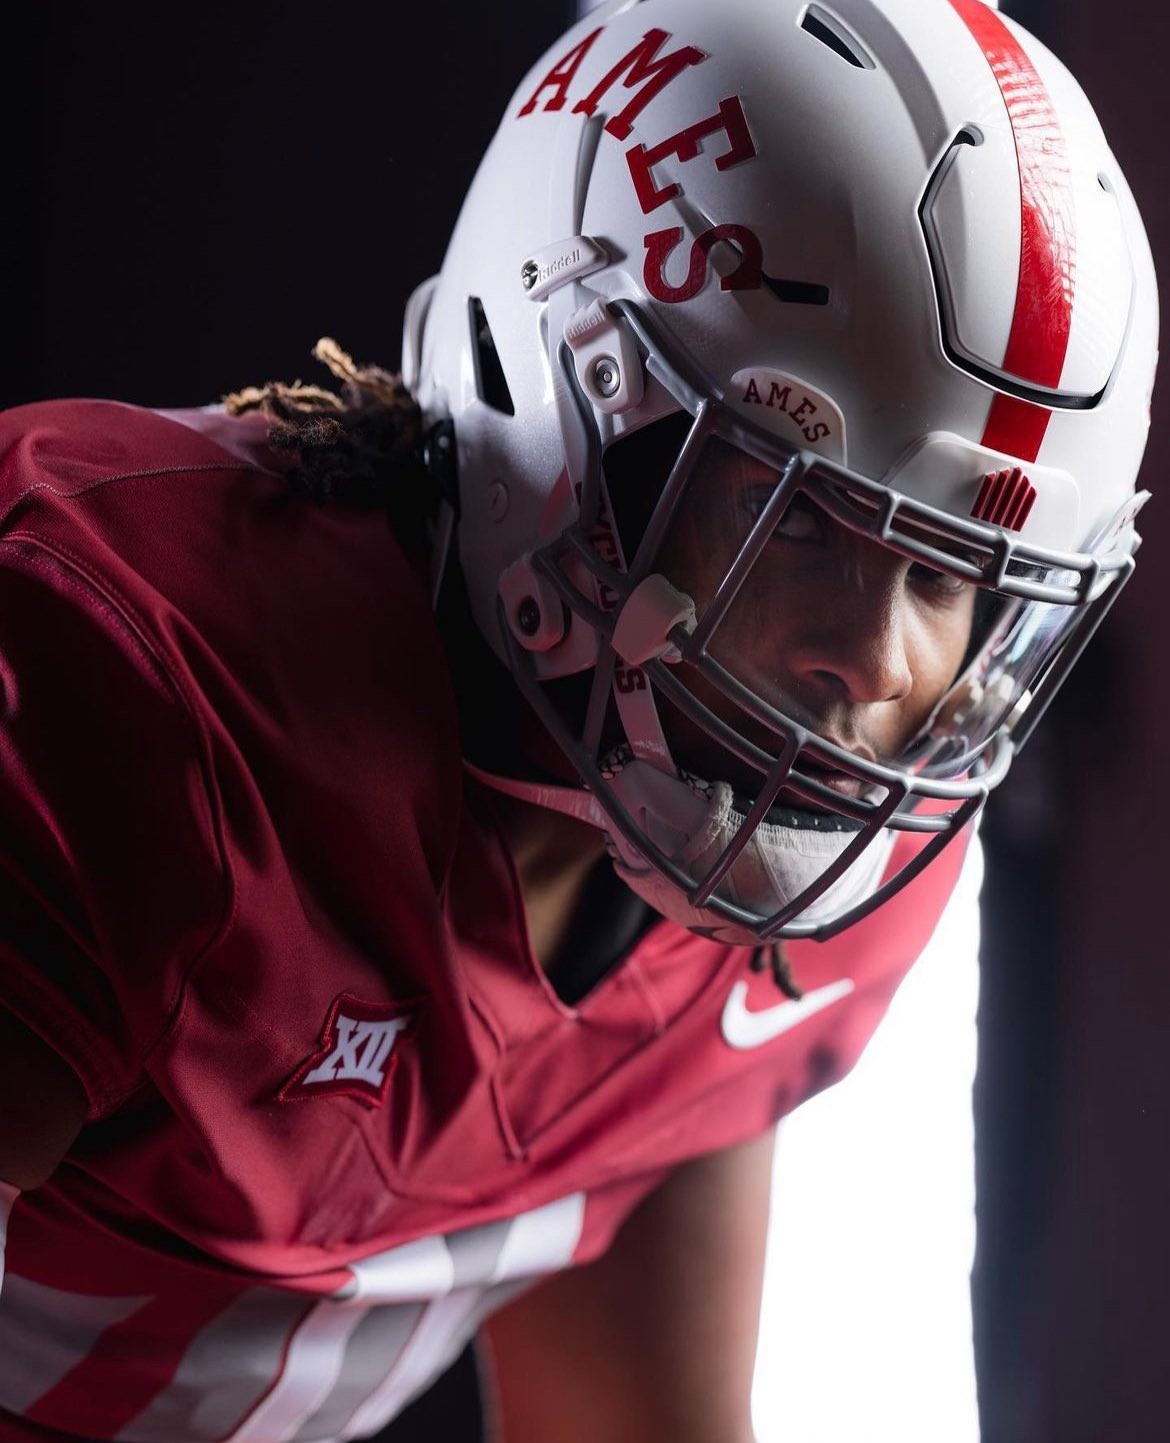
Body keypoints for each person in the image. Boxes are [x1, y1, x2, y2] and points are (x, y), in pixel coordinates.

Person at [0, 0, 1155, 1439]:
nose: (873, 671)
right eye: (797, 522)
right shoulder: (128, 667)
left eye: (941, 573)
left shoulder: (809, 890)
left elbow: (635, 1421)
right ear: (561, 418)